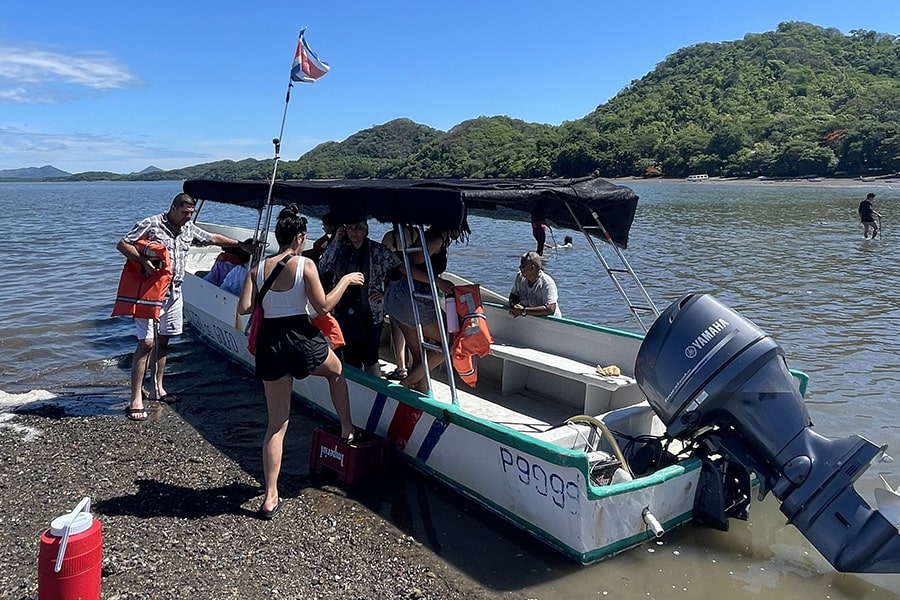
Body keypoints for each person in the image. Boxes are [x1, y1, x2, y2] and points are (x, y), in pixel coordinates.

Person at [237, 204, 364, 519]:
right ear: (299, 237)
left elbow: (243, 309)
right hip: (299, 337)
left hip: (270, 342)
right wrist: (346, 280)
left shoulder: (257, 269)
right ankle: (347, 430)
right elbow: (323, 307)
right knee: (336, 372)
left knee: (276, 424)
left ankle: (269, 496)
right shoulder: (305, 264)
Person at [117, 193, 251, 421]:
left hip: (175, 292)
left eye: (191, 213)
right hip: (150, 291)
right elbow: (123, 243)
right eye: (185, 212)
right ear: (173, 208)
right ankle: (135, 398)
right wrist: (142, 261)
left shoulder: (188, 229)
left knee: (164, 340)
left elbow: (212, 238)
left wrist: (240, 245)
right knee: (147, 342)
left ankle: (158, 388)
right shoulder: (151, 223)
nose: (188, 217)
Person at [383, 222, 470, 392]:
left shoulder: (430, 235)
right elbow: (407, 266)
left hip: (397, 296)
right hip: (410, 296)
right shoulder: (436, 239)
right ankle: (408, 382)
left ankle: (420, 396)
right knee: (452, 339)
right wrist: (439, 282)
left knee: (419, 358)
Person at [317, 218, 401, 376]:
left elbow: (400, 271)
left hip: (370, 313)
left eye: (358, 228)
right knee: (349, 357)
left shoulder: (377, 250)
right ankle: (354, 389)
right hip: (343, 311)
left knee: (370, 358)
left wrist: (386, 294)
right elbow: (323, 266)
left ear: (366, 230)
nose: (354, 232)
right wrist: (336, 240)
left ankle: (374, 389)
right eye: (350, 228)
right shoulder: (340, 248)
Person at [380, 225, 421, 380]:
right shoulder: (418, 234)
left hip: (395, 285)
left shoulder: (391, 237)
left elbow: (384, 261)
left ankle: (401, 367)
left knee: (397, 328)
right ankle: (412, 365)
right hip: (413, 284)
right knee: (413, 327)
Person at [508, 251, 562, 318]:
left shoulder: (547, 283)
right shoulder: (520, 277)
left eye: (523, 266)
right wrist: (513, 306)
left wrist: (523, 311)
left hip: (551, 321)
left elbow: (550, 309)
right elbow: (514, 296)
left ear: (532, 268)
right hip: (530, 316)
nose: (520, 268)